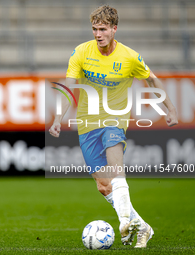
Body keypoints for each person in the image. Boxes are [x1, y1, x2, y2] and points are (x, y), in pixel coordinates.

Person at [49, 5, 178, 248]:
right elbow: (68, 87)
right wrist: (58, 118)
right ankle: (143, 227)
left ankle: (124, 223)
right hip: (87, 124)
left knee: (116, 168)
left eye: (103, 29)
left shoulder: (129, 56)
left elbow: (151, 78)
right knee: (103, 185)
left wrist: (169, 108)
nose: (98, 34)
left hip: (114, 120)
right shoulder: (81, 52)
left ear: (114, 29)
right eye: (95, 29)